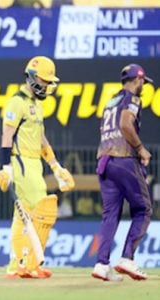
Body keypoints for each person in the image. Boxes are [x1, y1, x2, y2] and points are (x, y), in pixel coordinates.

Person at [0, 56, 75, 279]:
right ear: (32, 77)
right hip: (20, 161)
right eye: (45, 80)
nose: (48, 85)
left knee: (23, 216)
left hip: (34, 163)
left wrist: (56, 166)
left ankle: (19, 264)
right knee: (42, 208)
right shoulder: (17, 102)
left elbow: (41, 140)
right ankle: (28, 263)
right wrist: (6, 166)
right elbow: (7, 135)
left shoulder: (36, 105)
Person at [91, 64, 153, 282]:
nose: (143, 86)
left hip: (104, 161)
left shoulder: (110, 102)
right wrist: (140, 148)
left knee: (110, 214)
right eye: (143, 82)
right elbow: (126, 125)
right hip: (124, 159)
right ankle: (127, 258)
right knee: (143, 209)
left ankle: (101, 263)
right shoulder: (132, 99)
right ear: (138, 79)